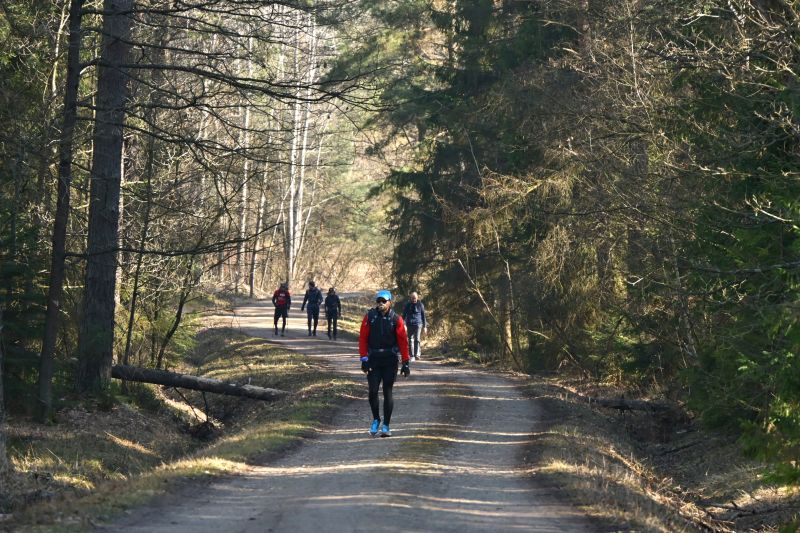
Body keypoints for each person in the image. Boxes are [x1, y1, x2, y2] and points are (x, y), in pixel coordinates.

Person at [359, 290, 410, 437]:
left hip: (390, 360)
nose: (380, 303)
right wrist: (364, 359)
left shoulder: (396, 319)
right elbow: (363, 338)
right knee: (373, 391)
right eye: (378, 301)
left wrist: (405, 362)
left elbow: (403, 341)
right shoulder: (370, 317)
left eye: (384, 301)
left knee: (388, 391)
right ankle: (376, 419)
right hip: (373, 359)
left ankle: (386, 425)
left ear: (390, 302)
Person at [402, 291, 428, 361]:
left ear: (417, 298)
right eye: (413, 298)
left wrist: (425, 326)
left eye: (415, 298)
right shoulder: (407, 305)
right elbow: (403, 316)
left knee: (417, 339)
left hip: (418, 324)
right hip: (409, 324)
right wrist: (403, 324)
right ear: (410, 298)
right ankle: (411, 355)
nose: (414, 300)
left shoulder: (421, 305)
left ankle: (417, 354)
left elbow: (423, 316)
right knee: (410, 340)